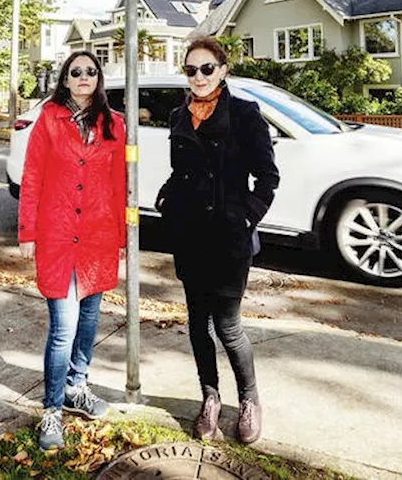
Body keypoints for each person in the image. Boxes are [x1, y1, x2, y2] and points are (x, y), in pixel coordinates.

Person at [154, 37, 279, 444]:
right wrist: (167, 195)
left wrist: (247, 215)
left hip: (228, 237)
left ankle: (249, 400)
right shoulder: (177, 116)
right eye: (191, 70)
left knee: (227, 325)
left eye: (207, 68)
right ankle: (209, 397)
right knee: (196, 324)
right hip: (190, 234)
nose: (199, 77)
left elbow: (268, 177)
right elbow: (182, 171)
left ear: (223, 70)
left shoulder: (244, 114)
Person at [18, 51, 127, 450]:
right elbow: (32, 176)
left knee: (89, 322)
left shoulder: (115, 124)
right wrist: (28, 232)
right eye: (75, 72)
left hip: (97, 238)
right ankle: (52, 408)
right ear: (64, 79)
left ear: (99, 79)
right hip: (57, 235)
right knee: (63, 327)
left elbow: (119, 184)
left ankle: (77, 385)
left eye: (91, 72)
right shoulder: (48, 119)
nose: (83, 77)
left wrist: (120, 239)